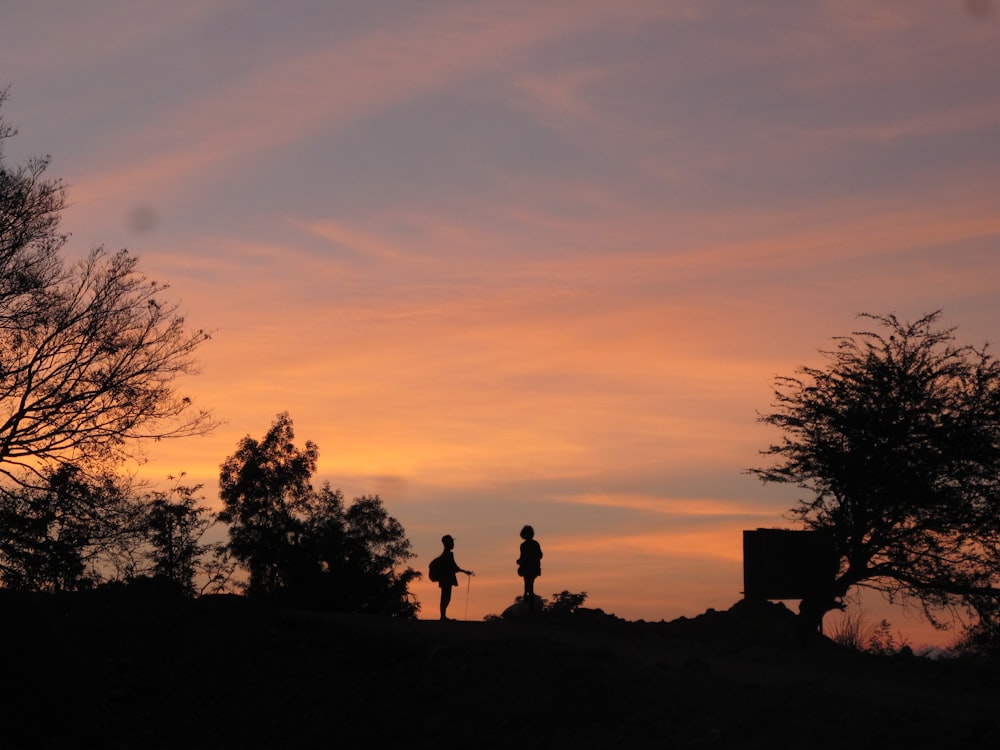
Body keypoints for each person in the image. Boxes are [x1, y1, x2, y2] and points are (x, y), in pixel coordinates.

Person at [437, 534, 473, 621]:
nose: (453, 544)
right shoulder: (448, 555)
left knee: (445, 596)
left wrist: (464, 572)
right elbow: (454, 567)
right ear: (448, 543)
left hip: (445, 578)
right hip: (446, 578)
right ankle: (443, 616)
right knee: (446, 596)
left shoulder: (446, 554)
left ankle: (443, 616)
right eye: (452, 542)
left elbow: (454, 567)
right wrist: (465, 572)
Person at [517, 525, 543, 611]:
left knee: (528, 583)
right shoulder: (535, 544)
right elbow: (540, 555)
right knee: (529, 583)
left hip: (528, 567)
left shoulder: (524, 545)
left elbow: (523, 557)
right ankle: (528, 597)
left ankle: (527, 598)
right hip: (532, 567)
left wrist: (521, 561)